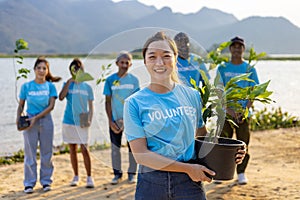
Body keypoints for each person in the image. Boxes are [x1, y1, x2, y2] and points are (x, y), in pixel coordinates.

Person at [123, 31, 245, 200]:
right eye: (152, 57)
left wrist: (229, 152)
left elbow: (200, 136)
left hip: (188, 184)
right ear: (145, 61)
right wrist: (187, 169)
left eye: (166, 56)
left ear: (175, 58)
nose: (159, 62)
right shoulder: (133, 103)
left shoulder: (192, 95)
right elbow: (141, 155)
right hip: (151, 183)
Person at [217, 36, 259, 185]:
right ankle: (221, 173)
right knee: (223, 143)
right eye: (234, 46)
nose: (236, 49)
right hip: (226, 113)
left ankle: (241, 172)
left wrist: (244, 110)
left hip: (244, 114)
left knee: (243, 143)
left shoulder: (249, 69)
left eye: (239, 47)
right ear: (230, 49)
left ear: (243, 49)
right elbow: (219, 90)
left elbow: (254, 91)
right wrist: (228, 110)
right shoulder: (222, 68)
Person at [16, 56, 61, 194]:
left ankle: (46, 182)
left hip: (46, 120)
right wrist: (18, 119)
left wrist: (37, 117)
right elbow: (21, 105)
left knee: (46, 153)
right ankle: (29, 183)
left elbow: (51, 106)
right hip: (29, 122)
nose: (41, 71)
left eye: (44, 68)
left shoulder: (50, 86)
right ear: (34, 70)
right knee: (30, 153)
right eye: (39, 68)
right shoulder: (26, 86)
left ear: (47, 71)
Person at [103, 51, 140, 184]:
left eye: (127, 62)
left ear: (130, 64)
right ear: (117, 63)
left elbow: (136, 102)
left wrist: (128, 120)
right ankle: (117, 175)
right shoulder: (110, 80)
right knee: (115, 148)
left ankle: (132, 174)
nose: (124, 65)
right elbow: (107, 101)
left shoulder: (134, 80)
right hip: (114, 120)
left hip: (130, 120)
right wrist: (110, 121)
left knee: (133, 148)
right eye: (122, 62)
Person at [59, 58, 95, 188]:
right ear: (71, 71)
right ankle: (76, 176)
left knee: (85, 149)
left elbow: (91, 106)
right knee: (72, 149)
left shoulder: (87, 87)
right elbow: (61, 97)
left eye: (79, 69)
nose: (76, 72)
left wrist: (90, 118)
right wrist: (69, 82)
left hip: (82, 120)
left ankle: (89, 177)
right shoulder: (68, 84)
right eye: (74, 69)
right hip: (69, 120)